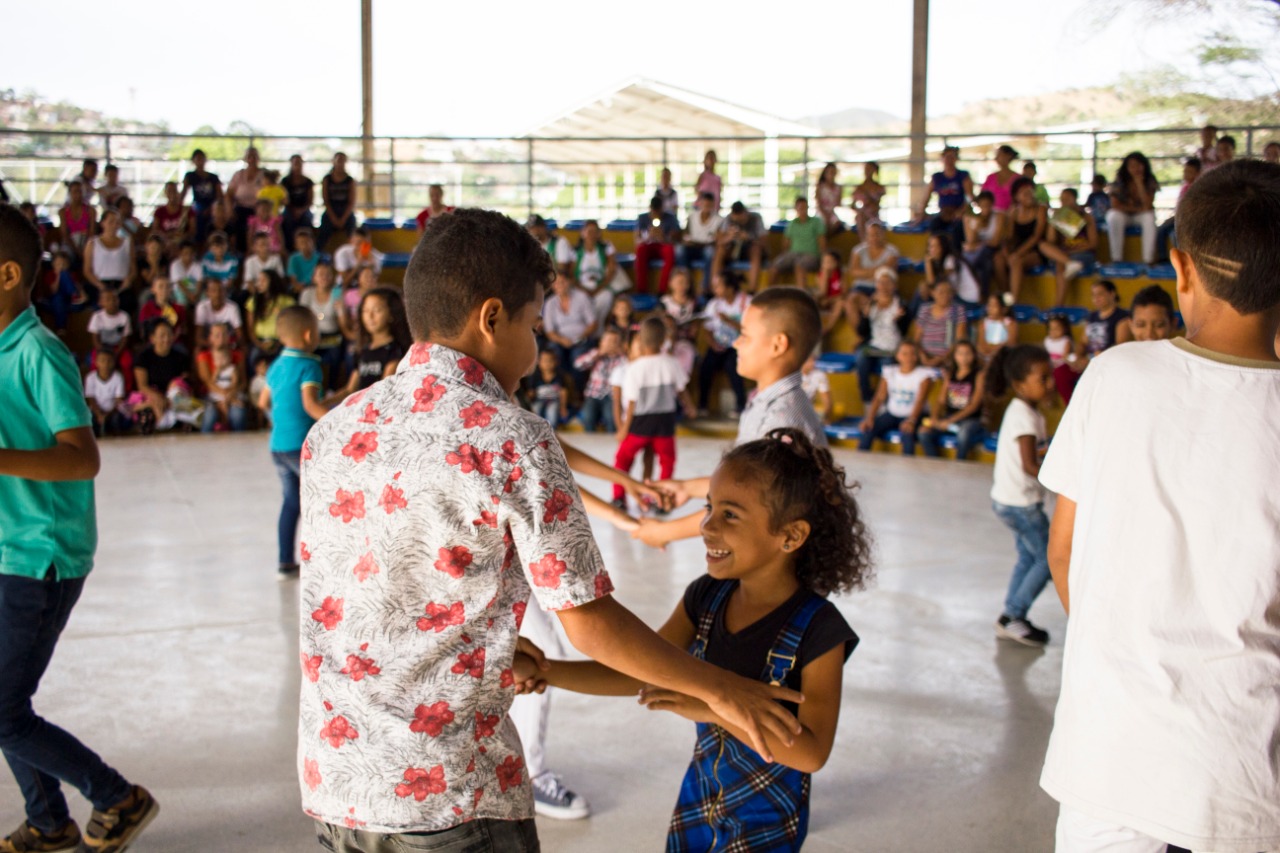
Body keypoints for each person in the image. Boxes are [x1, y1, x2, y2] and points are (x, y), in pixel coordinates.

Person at [297, 208, 804, 853]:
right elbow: (589, 621)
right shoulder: (513, 439)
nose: (537, 352)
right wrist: (724, 689)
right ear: (491, 319)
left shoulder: (335, 429)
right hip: (450, 796)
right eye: (534, 325)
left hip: (336, 780)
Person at [1038, 159, 1280, 853]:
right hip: (1244, 783)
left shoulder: (1114, 376)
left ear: (1180, 266)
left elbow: (1064, 551)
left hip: (1108, 761)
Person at [518, 427, 868, 851]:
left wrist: (710, 706)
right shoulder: (707, 596)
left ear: (790, 536)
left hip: (767, 826)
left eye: (730, 515)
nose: (706, 526)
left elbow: (811, 752)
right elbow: (639, 671)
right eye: (709, 508)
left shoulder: (819, 629)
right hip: (697, 805)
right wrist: (548, 672)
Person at [0, 205, 160, 853]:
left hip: (42, 556)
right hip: (9, 547)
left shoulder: (39, 352)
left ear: (7, 273)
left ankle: (116, 797)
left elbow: (81, 456)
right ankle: (48, 821)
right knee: (6, 707)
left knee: (4, 711)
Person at [259, 306, 346, 580]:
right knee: (324, 500)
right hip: (301, 447)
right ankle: (328, 564)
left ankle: (285, 562)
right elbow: (311, 406)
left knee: (291, 503)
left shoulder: (275, 366)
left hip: (278, 446)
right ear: (309, 335)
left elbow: (263, 402)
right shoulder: (310, 365)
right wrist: (342, 424)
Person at [984, 344, 1054, 647]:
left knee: (1028, 556)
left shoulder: (1025, 411)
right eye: (1043, 379)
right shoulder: (1024, 416)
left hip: (1008, 500)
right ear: (1020, 384)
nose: (1050, 384)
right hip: (1021, 505)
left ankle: (1010, 616)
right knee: (1049, 559)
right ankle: (1014, 614)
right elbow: (1028, 465)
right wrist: (1061, 479)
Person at [613, 316, 694, 507]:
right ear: (665, 338)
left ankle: (619, 497)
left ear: (639, 339)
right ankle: (663, 497)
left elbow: (631, 403)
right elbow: (682, 390)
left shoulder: (634, 368)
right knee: (667, 461)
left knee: (623, 459)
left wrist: (624, 428)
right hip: (665, 421)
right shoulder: (671, 362)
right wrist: (690, 407)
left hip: (640, 423)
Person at [858, 340, 932, 456]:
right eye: (904, 353)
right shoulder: (890, 372)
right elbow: (879, 397)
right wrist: (870, 417)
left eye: (912, 353)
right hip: (892, 414)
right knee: (868, 429)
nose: (908, 357)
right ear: (897, 355)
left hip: (914, 415)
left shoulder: (924, 376)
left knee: (907, 435)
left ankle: (907, 468)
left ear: (916, 356)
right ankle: (860, 462)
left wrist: (911, 421)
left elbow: (920, 401)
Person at [919, 340, 987, 460]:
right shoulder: (950, 375)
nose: (964, 357)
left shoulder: (978, 375)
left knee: (963, 434)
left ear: (974, 355)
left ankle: (959, 464)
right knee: (924, 432)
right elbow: (940, 401)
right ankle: (936, 463)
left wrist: (950, 420)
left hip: (970, 420)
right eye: (960, 353)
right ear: (954, 356)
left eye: (968, 354)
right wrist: (934, 418)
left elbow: (974, 405)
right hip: (949, 419)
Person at [850, 267, 905, 406]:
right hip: (874, 346)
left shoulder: (900, 305)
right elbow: (862, 332)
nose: (884, 286)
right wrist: (865, 315)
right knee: (861, 359)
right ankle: (867, 399)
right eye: (881, 282)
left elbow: (903, 330)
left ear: (894, 285)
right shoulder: (872, 304)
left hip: (892, 348)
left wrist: (899, 320)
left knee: (886, 366)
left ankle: (885, 402)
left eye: (887, 283)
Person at [698, 272, 750, 416]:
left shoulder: (746, 302)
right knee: (706, 367)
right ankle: (702, 405)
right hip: (718, 344)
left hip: (740, 346)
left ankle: (740, 405)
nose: (715, 290)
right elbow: (707, 329)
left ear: (730, 288)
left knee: (733, 366)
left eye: (718, 286)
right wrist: (713, 344)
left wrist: (729, 321)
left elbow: (751, 329)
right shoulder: (713, 304)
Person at [343, 286, 412, 393]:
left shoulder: (395, 350)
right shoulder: (362, 349)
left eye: (377, 310)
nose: (370, 316)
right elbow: (349, 390)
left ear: (392, 314)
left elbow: (383, 391)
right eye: (365, 310)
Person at [130, 320, 193, 434]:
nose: (166, 339)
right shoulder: (143, 357)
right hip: (152, 397)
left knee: (190, 414)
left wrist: (169, 398)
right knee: (147, 415)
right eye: (162, 335)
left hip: (174, 399)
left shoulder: (181, 357)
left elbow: (184, 383)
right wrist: (157, 397)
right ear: (152, 338)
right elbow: (142, 386)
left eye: (169, 334)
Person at [541, 272, 597, 385]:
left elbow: (593, 323)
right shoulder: (550, 303)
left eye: (563, 282)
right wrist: (562, 340)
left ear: (569, 282)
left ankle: (577, 390)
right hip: (560, 340)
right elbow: (549, 331)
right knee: (554, 355)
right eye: (556, 283)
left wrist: (580, 337)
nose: (560, 285)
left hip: (582, 339)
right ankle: (561, 388)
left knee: (577, 358)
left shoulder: (582, 297)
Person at [1042, 188, 1097, 306]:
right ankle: (1069, 263)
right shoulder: (1060, 216)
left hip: (1083, 253)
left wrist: (1074, 250)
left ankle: (1058, 304)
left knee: (1060, 263)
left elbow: (1093, 243)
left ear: (1075, 199)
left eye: (1067, 199)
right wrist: (1054, 221)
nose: (1064, 202)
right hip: (1065, 254)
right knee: (1044, 246)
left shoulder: (1086, 217)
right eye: (1062, 200)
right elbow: (1050, 241)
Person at [298, 260, 346, 388]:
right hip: (313, 336)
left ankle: (332, 387)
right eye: (320, 274)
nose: (324, 277)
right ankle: (308, 386)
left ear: (333, 277)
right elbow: (302, 318)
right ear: (314, 277)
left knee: (336, 356)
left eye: (328, 274)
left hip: (332, 336)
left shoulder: (337, 293)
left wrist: (342, 310)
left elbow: (342, 321)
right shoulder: (307, 293)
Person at [1105, 152, 1159, 263]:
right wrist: (1137, 209)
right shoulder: (1119, 180)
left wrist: (1139, 183)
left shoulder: (1150, 180)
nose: (1136, 169)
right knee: (1113, 216)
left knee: (1149, 217)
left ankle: (1148, 260)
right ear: (1127, 168)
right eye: (1132, 166)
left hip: (1141, 216)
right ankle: (1116, 259)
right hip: (1124, 215)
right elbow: (1115, 205)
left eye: (1139, 165)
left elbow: (1148, 205)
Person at [196, 323, 249, 433]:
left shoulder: (238, 355)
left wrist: (231, 395)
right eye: (217, 335)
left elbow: (242, 381)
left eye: (224, 334)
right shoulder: (203, 356)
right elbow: (208, 382)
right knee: (210, 415)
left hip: (233, 394)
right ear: (210, 338)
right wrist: (224, 398)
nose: (221, 338)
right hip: (211, 397)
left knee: (238, 414)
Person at [573, 326, 627, 433]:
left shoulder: (622, 358)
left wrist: (621, 352)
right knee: (587, 417)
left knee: (611, 418)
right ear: (601, 342)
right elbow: (578, 365)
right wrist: (599, 354)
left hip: (612, 396)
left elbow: (629, 368)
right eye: (608, 341)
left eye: (615, 341)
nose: (611, 344)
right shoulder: (595, 353)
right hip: (593, 394)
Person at [573, 219, 624, 328]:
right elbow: (571, 274)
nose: (591, 234)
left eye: (594, 231)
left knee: (606, 297)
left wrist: (598, 289)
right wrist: (583, 289)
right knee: (580, 299)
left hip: (601, 285)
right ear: (582, 233)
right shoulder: (575, 251)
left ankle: (598, 329)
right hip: (581, 287)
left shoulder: (606, 248)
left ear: (599, 234)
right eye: (588, 231)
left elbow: (611, 271)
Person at [82, 209, 136, 311]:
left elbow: (132, 268)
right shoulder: (92, 243)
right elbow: (87, 270)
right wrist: (101, 286)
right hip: (100, 284)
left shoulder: (127, 242)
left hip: (121, 285)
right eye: (111, 222)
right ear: (103, 223)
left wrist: (128, 280)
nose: (114, 225)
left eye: (117, 222)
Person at [771, 197, 826, 291]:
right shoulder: (792, 224)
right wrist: (784, 256)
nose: (802, 210)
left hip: (811, 255)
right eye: (800, 207)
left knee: (799, 266)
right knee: (774, 266)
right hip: (793, 254)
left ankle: (801, 296)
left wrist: (823, 259)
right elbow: (785, 243)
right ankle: (769, 295)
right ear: (796, 209)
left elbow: (822, 241)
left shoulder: (816, 222)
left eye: (804, 207)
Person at [246, 269, 296, 368]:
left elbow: (291, 327)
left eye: (263, 280)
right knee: (252, 359)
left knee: (286, 362)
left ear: (272, 281)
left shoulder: (287, 301)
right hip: (260, 341)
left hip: (281, 341)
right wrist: (260, 344)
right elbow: (250, 328)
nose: (259, 283)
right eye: (258, 280)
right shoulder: (253, 302)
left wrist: (278, 343)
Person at [912, 279, 968, 368]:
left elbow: (959, 340)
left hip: (947, 359)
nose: (945, 295)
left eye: (948, 292)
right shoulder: (925, 309)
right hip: (924, 358)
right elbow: (917, 338)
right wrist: (923, 357)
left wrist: (941, 358)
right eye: (941, 292)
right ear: (932, 293)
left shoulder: (957, 310)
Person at [1155, 157, 1201, 263]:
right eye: (1185, 171)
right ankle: (1162, 257)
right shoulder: (1185, 187)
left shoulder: (1197, 188)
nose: (1186, 174)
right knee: (1161, 230)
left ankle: (1184, 259)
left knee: (1174, 234)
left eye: (1189, 172)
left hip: (1187, 218)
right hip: (1179, 216)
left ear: (1197, 173)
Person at [713, 201, 767, 292]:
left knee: (756, 250)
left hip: (751, 250)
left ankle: (751, 290)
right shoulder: (728, 219)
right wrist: (729, 237)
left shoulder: (756, 218)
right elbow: (718, 242)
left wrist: (748, 237)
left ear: (745, 212)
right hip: (733, 251)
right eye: (736, 220)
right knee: (720, 250)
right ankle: (715, 288)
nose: (738, 221)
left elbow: (764, 243)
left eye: (741, 219)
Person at [633, 196, 680, 294]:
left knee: (670, 250)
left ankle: (662, 290)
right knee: (640, 250)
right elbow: (637, 240)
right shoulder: (642, 218)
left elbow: (675, 239)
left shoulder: (670, 218)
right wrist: (649, 236)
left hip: (663, 245)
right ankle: (642, 290)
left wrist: (662, 237)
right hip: (648, 246)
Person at [224, 147, 267, 253]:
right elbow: (228, 194)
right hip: (240, 208)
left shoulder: (264, 174)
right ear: (245, 159)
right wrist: (229, 209)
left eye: (254, 156)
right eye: (249, 156)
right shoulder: (238, 174)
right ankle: (237, 254)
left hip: (259, 210)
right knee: (234, 225)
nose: (251, 159)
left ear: (258, 158)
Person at [678, 191, 722, 288]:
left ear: (713, 205)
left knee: (710, 252)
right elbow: (685, 234)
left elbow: (717, 239)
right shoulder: (692, 216)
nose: (706, 207)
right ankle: (687, 282)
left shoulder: (718, 220)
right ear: (700, 204)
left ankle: (706, 287)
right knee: (679, 250)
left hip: (707, 247)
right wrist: (686, 240)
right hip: (692, 247)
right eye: (704, 204)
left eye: (709, 205)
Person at [316, 152, 357, 253]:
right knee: (323, 232)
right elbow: (326, 200)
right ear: (333, 162)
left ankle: (353, 254)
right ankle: (319, 255)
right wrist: (334, 218)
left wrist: (343, 219)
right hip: (331, 211)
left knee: (353, 229)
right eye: (338, 161)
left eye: (343, 161)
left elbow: (351, 202)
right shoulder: (327, 179)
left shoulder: (350, 180)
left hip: (345, 212)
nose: (340, 163)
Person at [921, 146, 974, 224]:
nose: (949, 160)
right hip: (943, 212)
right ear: (942, 158)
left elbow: (970, 197)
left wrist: (961, 211)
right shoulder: (937, 177)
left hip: (960, 213)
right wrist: (922, 213)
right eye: (947, 157)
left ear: (956, 159)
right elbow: (926, 197)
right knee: (934, 224)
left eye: (952, 157)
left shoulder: (963, 176)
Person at [845, 219, 899, 293]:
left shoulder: (892, 251)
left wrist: (863, 273)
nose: (874, 238)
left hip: (883, 288)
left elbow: (886, 271)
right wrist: (877, 272)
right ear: (867, 236)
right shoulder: (858, 250)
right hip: (860, 287)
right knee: (852, 301)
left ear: (883, 234)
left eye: (877, 234)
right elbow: (853, 272)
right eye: (871, 235)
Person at [181, 149, 223, 243]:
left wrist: (212, 208)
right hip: (198, 205)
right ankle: (198, 242)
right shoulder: (190, 176)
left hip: (212, 205)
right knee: (196, 217)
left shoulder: (213, 177)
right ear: (193, 161)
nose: (200, 162)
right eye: (197, 159)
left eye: (202, 159)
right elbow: (183, 193)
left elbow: (220, 195)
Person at [84, 349, 129, 437]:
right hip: (96, 410)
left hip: (113, 410)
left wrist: (107, 415)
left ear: (114, 362)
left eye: (109, 361)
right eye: (102, 360)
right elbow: (91, 399)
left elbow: (118, 400)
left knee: (116, 420)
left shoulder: (118, 377)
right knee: (90, 420)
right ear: (96, 362)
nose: (106, 364)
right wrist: (99, 414)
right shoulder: (90, 378)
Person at [1083, 280, 1132, 358]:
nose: (1096, 298)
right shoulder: (1091, 316)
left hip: (1109, 359)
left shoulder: (1122, 317)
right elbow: (1083, 342)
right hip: (1090, 359)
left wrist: (1100, 356)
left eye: (1100, 294)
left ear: (1112, 294)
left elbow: (1120, 346)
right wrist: (1078, 356)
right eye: (1093, 295)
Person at [194, 278, 244, 349]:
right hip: (209, 343)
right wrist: (215, 345)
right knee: (197, 349)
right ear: (207, 293)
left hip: (228, 344)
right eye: (213, 291)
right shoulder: (202, 307)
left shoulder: (233, 307)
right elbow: (198, 337)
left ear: (225, 292)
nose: (217, 294)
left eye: (221, 290)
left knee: (243, 349)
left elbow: (240, 336)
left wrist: (226, 344)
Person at [525, 348, 570, 426]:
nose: (548, 363)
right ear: (539, 362)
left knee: (552, 410)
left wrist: (563, 407)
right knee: (536, 409)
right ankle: (536, 427)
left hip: (554, 400)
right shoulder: (535, 376)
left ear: (556, 362)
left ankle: (551, 428)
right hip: (539, 400)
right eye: (545, 361)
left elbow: (563, 392)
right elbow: (531, 392)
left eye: (550, 361)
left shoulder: (560, 376)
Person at [1043, 313, 1082, 404]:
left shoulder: (1066, 341)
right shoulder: (1047, 340)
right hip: (1051, 364)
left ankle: (1068, 401)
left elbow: (1065, 356)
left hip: (1062, 364)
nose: (1053, 331)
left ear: (1064, 329)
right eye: (1051, 329)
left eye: (1057, 328)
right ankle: (1048, 399)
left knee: (1058, 374)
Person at [138, 276, 187, 344]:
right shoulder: (146, 308)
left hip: (174, 344)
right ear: (153, 289)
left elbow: (183, 330)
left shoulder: (179, 308)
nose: (164, 290)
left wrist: (172, 338)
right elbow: (143, 332)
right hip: (153, 345)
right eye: (161, 286)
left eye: (167, 286)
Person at [281, 154, 315, 252]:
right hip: (289, 209)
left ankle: (308, 247)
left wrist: (301, 210)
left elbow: (310, 201)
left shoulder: (308, 182)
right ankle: (289, 249)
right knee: (286, 221)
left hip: (304, 210)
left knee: (307, 220)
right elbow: (283, 199)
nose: (297, 165)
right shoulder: (285, 181)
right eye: (295, 163)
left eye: (299, 163)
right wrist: (293, 210)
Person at [57, 181, 94, 267]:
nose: (78, 194)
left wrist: (85, 248)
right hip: (70, 244)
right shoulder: (63, 212)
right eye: (75, 191)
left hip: (86, 242)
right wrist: (77, 251)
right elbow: (65, 234)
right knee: (62, 260)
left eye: (80, 191)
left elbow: (91, 232)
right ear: (70, 193)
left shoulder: (90, 211)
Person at [151, 180, 192, 253]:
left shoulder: (187, 211)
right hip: (164, 244)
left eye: (174, 190)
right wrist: (166, 237)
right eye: (169, 191)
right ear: (165, 193)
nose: (172, 193)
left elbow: (193, 231)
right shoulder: (159, 211)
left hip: (182, 244)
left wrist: (181, 237)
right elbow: (155, 230)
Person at [977, 292, 1017, 362]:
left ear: (1004, 309)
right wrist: (988, 352)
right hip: (986, 357)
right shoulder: (983, 323)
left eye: (994, 306)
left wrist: (997, 351)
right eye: (989, 305)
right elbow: (981, 343)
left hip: (1004, 357)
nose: (990, 308)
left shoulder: (1010, 324)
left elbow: (1011, 343)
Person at [850, 162, 886, 237]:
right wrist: (860, 210)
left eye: (869, 169)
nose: (867, 171)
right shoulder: (859, 188)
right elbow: (852, 205)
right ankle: (864, 243)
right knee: (860, 217)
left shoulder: (879, 187)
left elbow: (878, 205)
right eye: (866, 169)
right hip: (863, 216)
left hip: (874, 215)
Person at [982, 145, 1020, 212]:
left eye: (999, 155)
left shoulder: (1018, 179)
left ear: (1008, 156)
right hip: (992, 216)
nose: (996, 158)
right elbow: (983, 197)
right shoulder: (990, 178)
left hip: (1012, 216)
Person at [800, 348, 831, 422]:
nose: (813, 363)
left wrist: (826, 417)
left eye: (814, 360)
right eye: (809, 361)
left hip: (808, 414)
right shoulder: (791, 375)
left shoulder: (819, 374)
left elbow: (827, 402)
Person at [814, 162, 843, 235]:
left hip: (832, 212)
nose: (831, 174)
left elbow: (838, 204)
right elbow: (818, 203)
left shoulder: (838, 188)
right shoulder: (820, 186)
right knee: (823, 224)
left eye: (833, 172)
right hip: (821, 211)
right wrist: (826, 215)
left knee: (836, 223)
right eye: (830, 172)